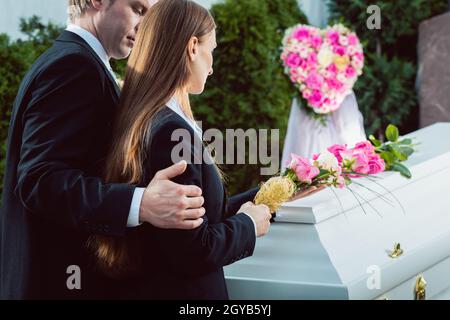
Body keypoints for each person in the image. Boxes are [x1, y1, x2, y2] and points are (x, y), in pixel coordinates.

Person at [89, 0, 319, 300]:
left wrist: (282, 189)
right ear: (192, 47)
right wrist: (248, 226)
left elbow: (203, 216)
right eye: (212, 50)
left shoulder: (153, 118)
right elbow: (194, 252)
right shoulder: (171, 130)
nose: (212, 66)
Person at [0, 0, 207, 300]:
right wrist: (141, 204)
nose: (144, 25)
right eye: (137, 10)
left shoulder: (84, 63)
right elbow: (40, 181)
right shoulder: (72, 65)